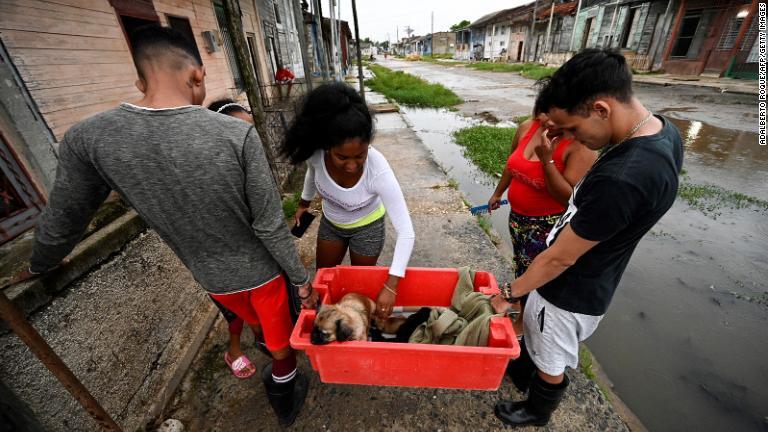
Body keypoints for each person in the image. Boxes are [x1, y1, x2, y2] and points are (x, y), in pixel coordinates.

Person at [15, 26, 315, 426]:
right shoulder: (236, 134)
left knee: (257, 326)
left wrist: (40, 264)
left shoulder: (88, 138)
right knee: (282, 345)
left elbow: (63, 219)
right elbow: (269, 225)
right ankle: (285, 401)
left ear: (140, 81)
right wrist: (300, 279)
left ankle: (272, 369)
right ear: (197, 75)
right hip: (262, 274)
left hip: (209, 278)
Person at [491, 49, 683, 427]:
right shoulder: (662, 132)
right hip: (598, 278)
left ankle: (536, 411)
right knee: (543, 344)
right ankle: (530, 384)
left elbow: (561, 258)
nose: (572, 139)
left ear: (600, 108)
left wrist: (509, 293)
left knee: (549, 356)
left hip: (568, 290)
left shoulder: (622, 177)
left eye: (574, 129)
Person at [280, 82, 415, 319]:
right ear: (326, 147)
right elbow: (313, 173)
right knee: (323, 280)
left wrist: (391, 285)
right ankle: (325, 324)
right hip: (332, 225)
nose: (352, 165)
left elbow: (406, 232)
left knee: (358, 286)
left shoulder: (379, 171)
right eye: (342, 157)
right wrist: (304, 203)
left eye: (360, 155)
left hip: (368, 228)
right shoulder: (315, 155)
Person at [487, 100, 596, 340]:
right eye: (544, 113)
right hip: (518, 219)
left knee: (535, 272)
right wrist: (498, 192)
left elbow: (571, 198)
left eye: (556, 117)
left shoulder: (579, 146)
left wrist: (547, 161)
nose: (547, 121)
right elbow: (511, 164)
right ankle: (522, 307)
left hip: (547, 225)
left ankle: (525, 322)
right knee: (521, 264)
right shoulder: (528, 127)